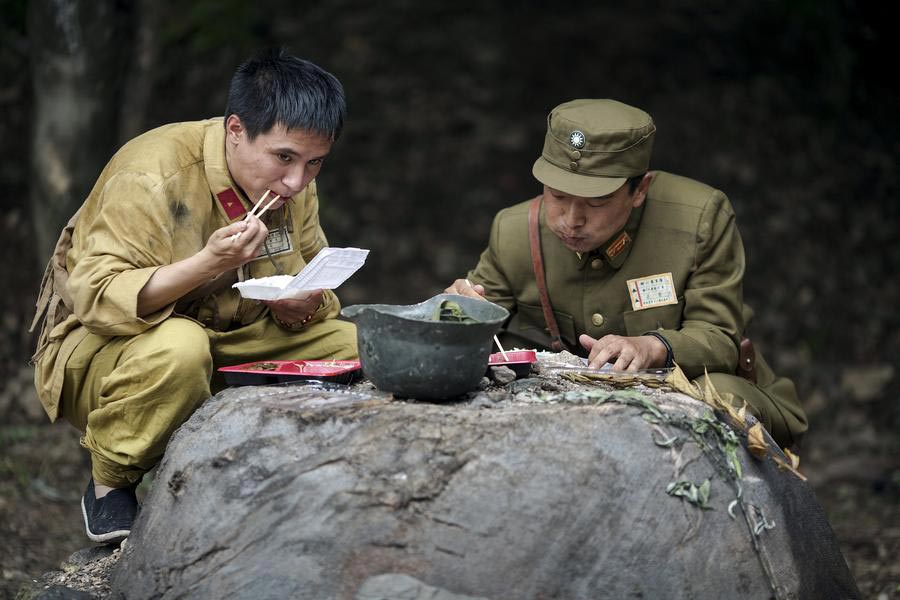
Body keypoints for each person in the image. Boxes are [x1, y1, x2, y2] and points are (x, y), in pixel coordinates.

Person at [29, 49, 357, 543]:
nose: (296, 180)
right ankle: (110, 482)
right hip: (110, 352)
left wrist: (304, 304)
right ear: (235, 130)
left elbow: (312, 277)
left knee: (351, 347)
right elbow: (96, 299)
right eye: (284, 158)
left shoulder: (292, 187)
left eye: (315, 163)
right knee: (179, 348)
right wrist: (208, 264)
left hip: (232, 337)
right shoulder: (151, 173)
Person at [446, 99, 806, 450]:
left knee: (717, 406)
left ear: (640, 190)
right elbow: (470, 319)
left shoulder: (698, 220)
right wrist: (455, 310)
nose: (571, 219)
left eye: (596, 202)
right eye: (557, 195)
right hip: (562, 405)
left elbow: (719, 336)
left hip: (681, 382)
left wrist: (653, 347)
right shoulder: (513, 231)